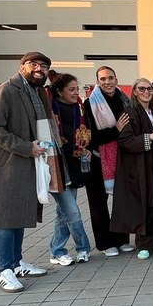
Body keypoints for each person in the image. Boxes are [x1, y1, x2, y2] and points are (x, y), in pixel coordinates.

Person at [0, 51, 52, 292]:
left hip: (25, 165)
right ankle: (4, 270)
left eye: (44, 66)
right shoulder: (5, 91)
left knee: (18, 215)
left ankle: (17, 262)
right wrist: (25, 147)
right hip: (5, 167)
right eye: (34, 64)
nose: (40, 69)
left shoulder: (34, 92)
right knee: (4, 219)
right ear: (22, 66)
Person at [111, 78, 153, 260]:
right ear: (134, 91)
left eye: (149, 88)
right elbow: (125, 141)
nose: (146, 92)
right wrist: (149, 137)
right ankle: (143, 244)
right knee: (144, 203)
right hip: (138, 167)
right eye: (141, 88)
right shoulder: (130, 112)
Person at [83, 66, 133, 257]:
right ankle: (105, 243)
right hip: (97, 158)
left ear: (116, 79)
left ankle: (121, 240)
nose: (107, 82)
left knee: (121, 201)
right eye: (103, 79)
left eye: (110, 78)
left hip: (121, 157)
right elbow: (90, 136)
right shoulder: (89, 104)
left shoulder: (124, 100)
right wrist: (116, 130)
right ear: (98, 81)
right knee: (99, 204)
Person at [46, 70, 93, 266]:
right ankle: (83, 247)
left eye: (77, 89)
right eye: (71, 90)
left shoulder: (79, 108)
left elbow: (86, 131)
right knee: (72, 212)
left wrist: (87, 149)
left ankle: (57, 251)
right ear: (59, 91)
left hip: (73, 166)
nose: (76, 93)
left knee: (63, 213)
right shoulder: (48, 107)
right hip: (55, 165)